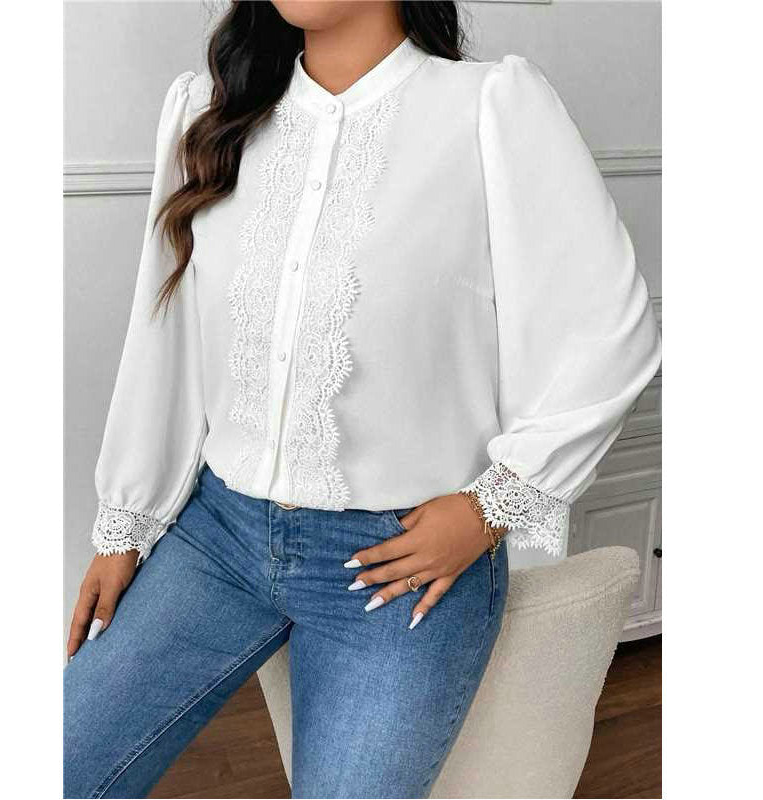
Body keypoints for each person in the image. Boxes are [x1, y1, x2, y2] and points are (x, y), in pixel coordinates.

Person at [63, 1, 662, 797]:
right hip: (217, 537)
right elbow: (162, 334)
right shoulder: (210, 112)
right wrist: (124, 524)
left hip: (398, 563)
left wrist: (491, 507)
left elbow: (609, 328)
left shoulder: (490, 107)